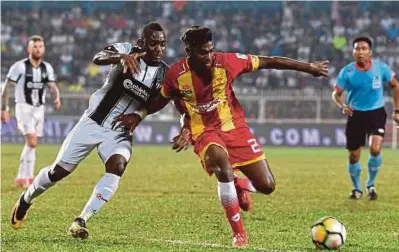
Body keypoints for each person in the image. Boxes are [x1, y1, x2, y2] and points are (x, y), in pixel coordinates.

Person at [114, 26, 329, 247]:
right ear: (189, 50)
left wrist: (309, 67)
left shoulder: (228, 61)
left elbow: (270, 61)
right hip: (205, 131)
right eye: (202, 52)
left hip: (236, 129)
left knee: (267, 186)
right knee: (222, 167)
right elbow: (161, 100)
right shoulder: (176, 75)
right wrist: (140, 116)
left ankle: (240, 184)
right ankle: (239, 234)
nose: (208, 57)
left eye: (210, 50)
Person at [10, 22, 169, 240]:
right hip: (92, 121)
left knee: (118, 166)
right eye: (153, 44)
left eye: (162, 44)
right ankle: (26, 199)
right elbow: (99, 57)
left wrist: (139, 115)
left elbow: (161, 101)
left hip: (118, 130)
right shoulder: (126, 49)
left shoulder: (164, 75)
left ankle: (81, 220)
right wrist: (119, 58)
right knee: (58, 172)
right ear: (142, 42)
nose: (159, 49)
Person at [332, 36, 399, 200]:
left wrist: (397, 110)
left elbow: (395, 85)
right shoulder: (347, 71)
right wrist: (342, 106)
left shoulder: (380, 68)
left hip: (376, 113)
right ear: (353, 52)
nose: (360, 52)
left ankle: (370, 184)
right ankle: (356, 188)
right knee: (354, 155)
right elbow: (336, 93)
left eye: (364, 49)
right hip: (356, 115)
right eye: (357, 49)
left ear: (370, 52)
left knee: (375, 148)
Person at [1, 35, 61, 188]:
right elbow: (6, 88)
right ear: (29, 48)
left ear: (44, 48)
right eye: (35, 46)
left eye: (40, 46)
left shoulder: (47, 67)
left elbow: (52, 86)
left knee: (32, 144)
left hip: (39, 109)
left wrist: (56, 99)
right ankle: (29, 177)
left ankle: (21, 177)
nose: (38, 49)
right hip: (23, 107)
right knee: (32, 141)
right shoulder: (19, 67)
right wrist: (4, 108)